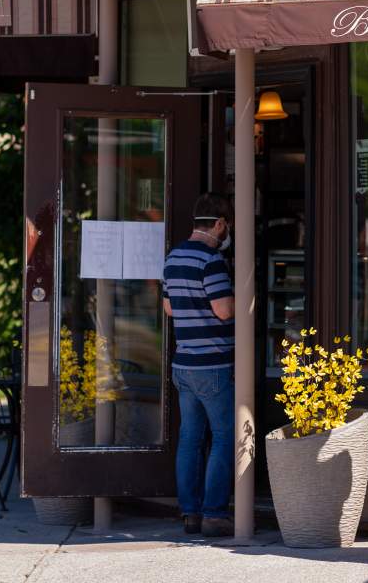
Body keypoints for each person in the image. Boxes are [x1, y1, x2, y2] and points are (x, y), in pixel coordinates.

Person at [162, 192, 235, 538]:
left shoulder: (174, 256)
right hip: (213, 365)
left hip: (183, 363)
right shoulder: (211, 259)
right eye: (226, 227)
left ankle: (189, 512)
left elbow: (170, 309)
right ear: (219, 224)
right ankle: (215, 514)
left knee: (190, 438)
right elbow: (224, 310)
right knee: (223, 437)